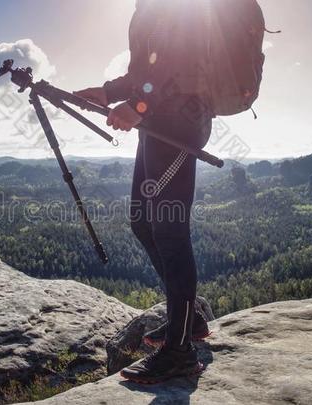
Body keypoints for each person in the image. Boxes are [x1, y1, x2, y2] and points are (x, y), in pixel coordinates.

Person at [75, 0, 214, 384]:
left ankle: (180, 352)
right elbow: (147, 70)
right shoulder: (146, 8)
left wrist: (138, 105)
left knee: (169, 231)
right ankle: (191, 320)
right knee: (142, 223)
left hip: (179, 126)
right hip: (159, 122)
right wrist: (107, 92)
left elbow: (182, 63)